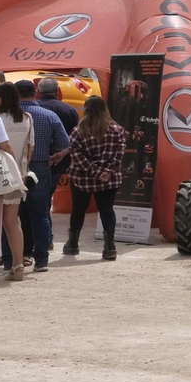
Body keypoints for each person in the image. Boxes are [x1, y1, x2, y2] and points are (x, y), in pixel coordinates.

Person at [9, 80, 69, 272]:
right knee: (40, 214)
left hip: (11, 167)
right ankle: (41, 259)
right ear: (35, 92)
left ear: (15, 94)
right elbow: (64, 143)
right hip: (41, 167)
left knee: (11, 216)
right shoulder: (49, 115)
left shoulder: (5, 117)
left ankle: (13, 259)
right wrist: (57, 155)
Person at [65, 96, 127, 261]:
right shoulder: (117, 129)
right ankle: (109, 247)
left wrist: (93, 171)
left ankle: (72, 244)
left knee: (78, 210)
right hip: (109, 179)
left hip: (82, 178)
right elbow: (119, 153)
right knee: (106, 209)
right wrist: (107, 171)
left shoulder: (78, 130)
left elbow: (76, 154)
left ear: (86, 109)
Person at [0, 89, 29, 283]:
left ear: (0, 98)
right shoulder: (27, 118)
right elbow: (30, 146)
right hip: (12, 175)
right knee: (13, 223)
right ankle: (18, 265)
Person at [34, 78, 79, 185]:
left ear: (38, 91)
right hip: (59, 161)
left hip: (33, 161)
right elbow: (76, 136)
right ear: (57, 90)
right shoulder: (68, 110)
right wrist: (62, 154)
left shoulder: (30, 109)